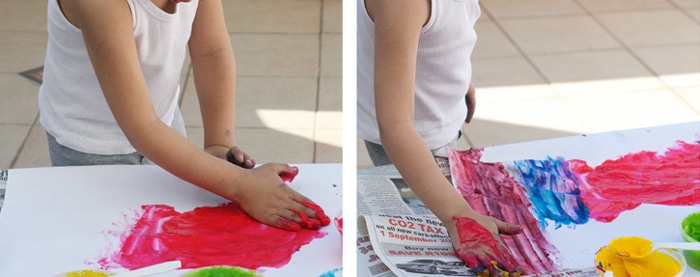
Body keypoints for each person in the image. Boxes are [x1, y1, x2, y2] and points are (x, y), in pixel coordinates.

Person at [38, 0, 327, 231]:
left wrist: (219, 144)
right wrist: (242, 185)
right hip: (91, 147)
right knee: (106, 237)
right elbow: (141, 127)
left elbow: (211, 51)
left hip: (162, 124)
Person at [357, 0, 523, 275]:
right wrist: (459, 216)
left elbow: (441, 33)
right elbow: (396, 127)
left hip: (436, 114)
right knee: (430, 213)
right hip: (411, 142)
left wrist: (458, 79)